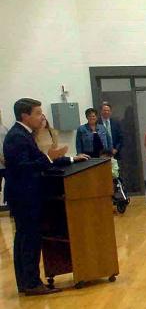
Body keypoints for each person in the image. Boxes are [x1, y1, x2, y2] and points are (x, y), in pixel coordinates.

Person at [4, 98, 88, 295]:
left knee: (25, 238)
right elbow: (23, 167)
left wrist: (64, 159)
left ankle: (27, 282)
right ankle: (31, 283)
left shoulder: (23, 134)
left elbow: (40, 161)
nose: (42, 117)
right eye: (38, 113)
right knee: (29, 238)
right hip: (25, 196)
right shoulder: (17, 136)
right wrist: (50, 157)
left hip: (26, 194)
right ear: (25, 115)